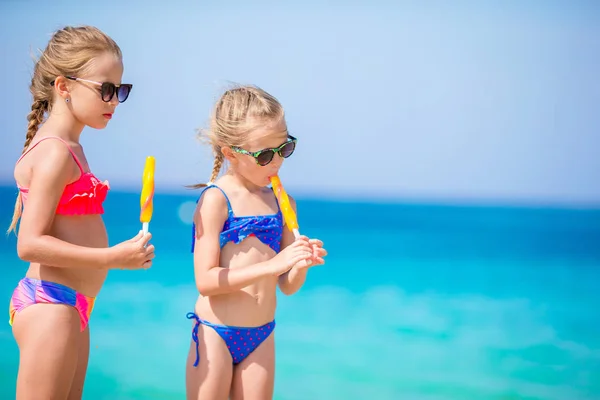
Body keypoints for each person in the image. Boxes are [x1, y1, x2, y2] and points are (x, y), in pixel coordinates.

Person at [7, 25, 155, 400]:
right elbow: (29, 244)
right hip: (50, 303)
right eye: (106, 89)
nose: (115, 101)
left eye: (121, 90)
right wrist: (111, 257)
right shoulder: (56, 151)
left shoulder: (71, 148)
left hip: (73, 304)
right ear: (64, 86)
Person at [186, 85, 328, 400]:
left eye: (284, 149)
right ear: (231, 153)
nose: (276, 163)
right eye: (264, 155)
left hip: (262, 335)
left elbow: (288, 285)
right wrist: (272, 264)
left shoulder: (282, 201)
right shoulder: (216, 200)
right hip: (215, 333)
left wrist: (300, 263)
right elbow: (206, 281)